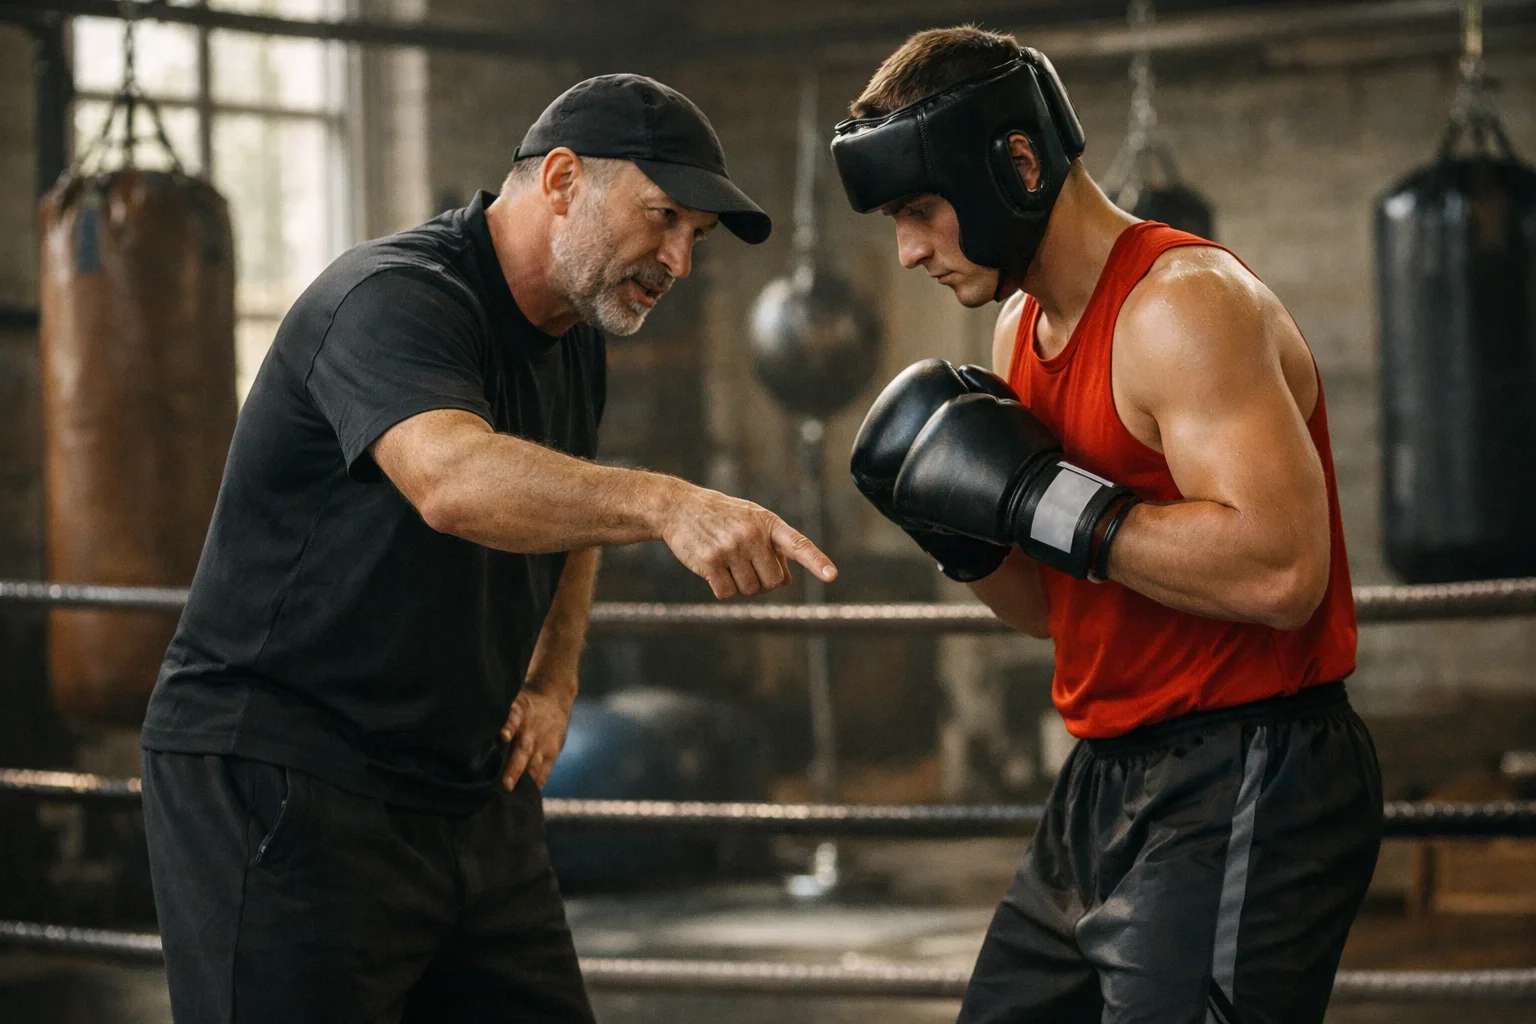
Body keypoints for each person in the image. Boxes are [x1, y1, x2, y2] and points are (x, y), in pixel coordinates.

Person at [139, 73, 836, 1023]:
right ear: (559, 180)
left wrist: (554, 680)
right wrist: (668, 502)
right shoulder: (392, 299)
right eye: (663, 216)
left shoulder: (574, 333)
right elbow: (452, 480)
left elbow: (572, 505)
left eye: (694, 238)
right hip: (290, 778)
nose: (677, 258)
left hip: (467, 788)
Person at [839, 27, 1381, 1024]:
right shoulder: (1016, 331)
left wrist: (1047, 500)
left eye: (919, 211)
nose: (909, 250)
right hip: (1101, 777)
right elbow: (1051, 610)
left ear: (1015, 162)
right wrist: (963, 530)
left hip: (1247, 768)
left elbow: (1282, 571)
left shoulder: (1182, 308)